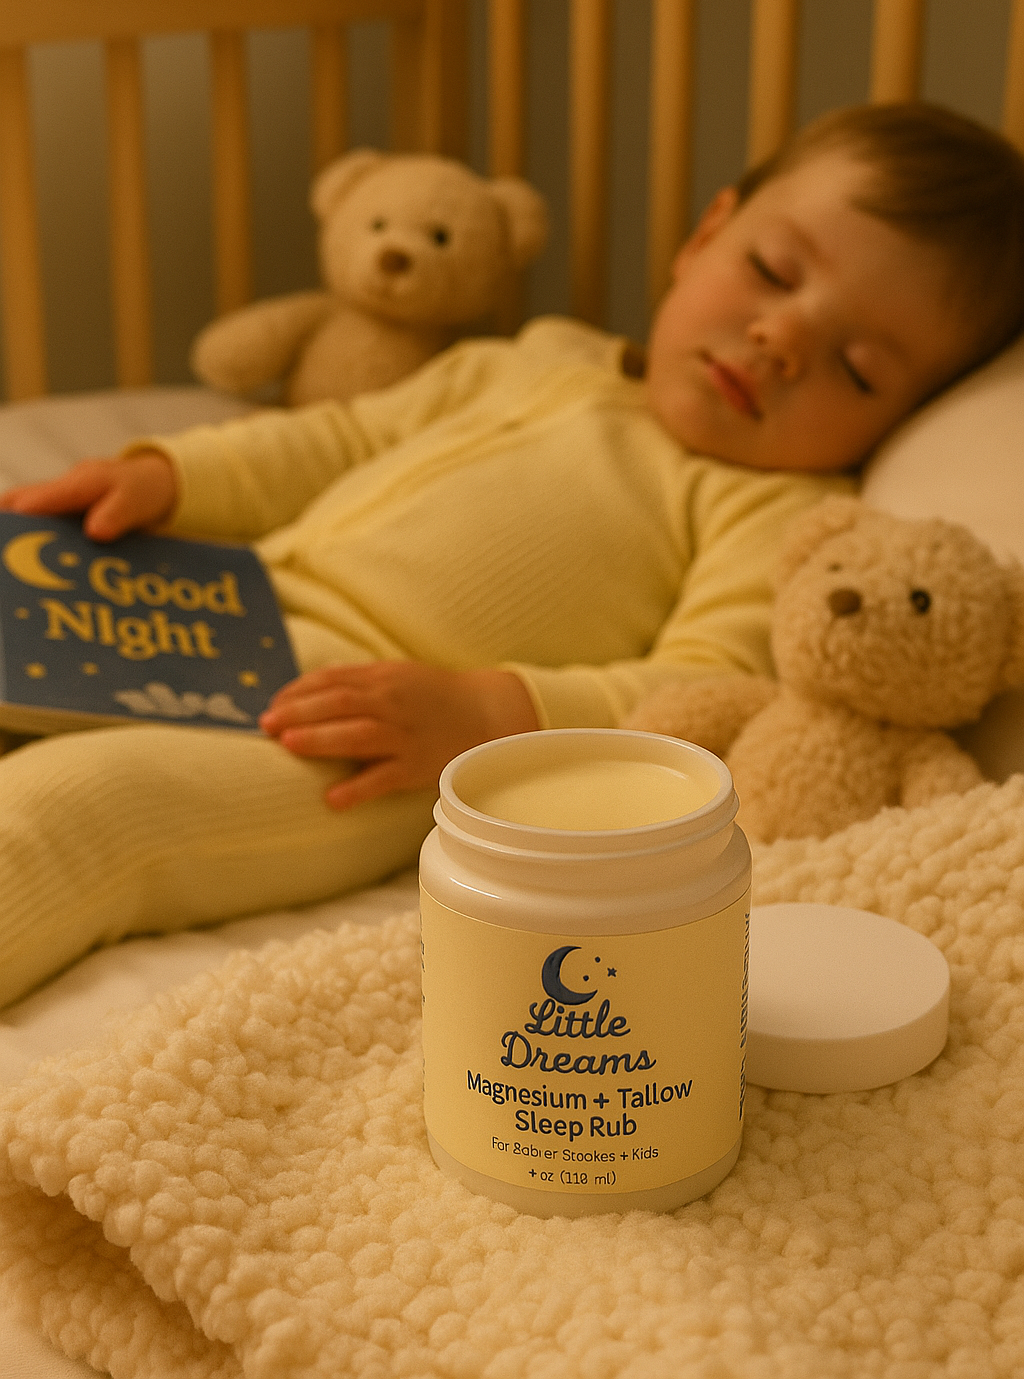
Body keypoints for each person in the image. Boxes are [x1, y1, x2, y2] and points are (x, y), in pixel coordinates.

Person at [1, 101, 1022, 1007]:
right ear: (707, 232)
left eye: (855, 367)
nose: (779, 336)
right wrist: (171, 476)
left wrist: (494, 715)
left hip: (376, 740)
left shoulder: (774, 513)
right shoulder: (534, 357)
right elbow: (337, 438)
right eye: (770, 270)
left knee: (84, 812)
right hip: (223, 611)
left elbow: (708, 691)